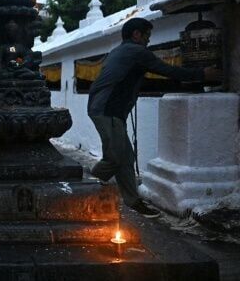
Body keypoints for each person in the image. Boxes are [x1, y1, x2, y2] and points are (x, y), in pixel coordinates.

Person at [87, 18, 222, 218]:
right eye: (147, 36)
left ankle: (133, 201)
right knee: (114, 158)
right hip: (106, 110)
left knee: (126, 158)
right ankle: (82, 187)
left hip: (108, 109)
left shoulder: (119, 51)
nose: (149, 41)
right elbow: (168, 71)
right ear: (136, 35)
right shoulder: (136, 52)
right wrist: (203, 74)